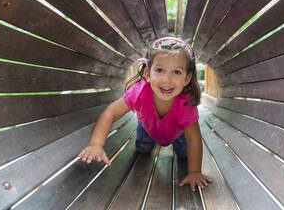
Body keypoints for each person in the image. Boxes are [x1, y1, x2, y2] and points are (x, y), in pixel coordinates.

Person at [78, 37, 211, 191]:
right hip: (148, 127)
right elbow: (111, 113)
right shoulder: (139, 92)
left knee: (184, 155)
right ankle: (148, 142)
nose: (166, 79)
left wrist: (194, 172)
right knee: (143, 149)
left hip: (178, 133)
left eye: (176, 72)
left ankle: (177, 149)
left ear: (187, 78)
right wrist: (96, 144)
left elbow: (193, 138)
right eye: (160, 70)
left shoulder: (185, 102)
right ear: (148, 73)